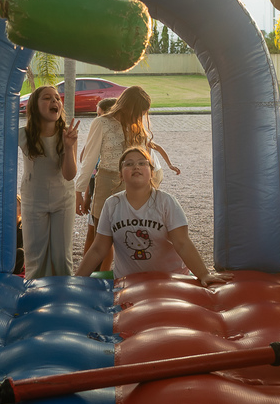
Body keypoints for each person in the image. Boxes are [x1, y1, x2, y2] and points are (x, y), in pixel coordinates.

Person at [75, 146, 226, 285]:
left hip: (170, 280)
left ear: (152, 173)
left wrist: (204, 274)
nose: (136, 167)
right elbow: (98, 249)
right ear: (120, 175)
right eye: (129, 164)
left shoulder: (166, 202)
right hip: (128, 282)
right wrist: (76, 281)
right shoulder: (112, 204)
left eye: (142, 163)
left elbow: (182, 244)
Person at [76, 86, 179, 233]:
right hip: (107, 183)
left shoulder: (136, 126)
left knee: (130, 233)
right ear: (129, 108)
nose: (141, 117)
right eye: (139, 112)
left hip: (133, 184)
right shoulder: (101, 123)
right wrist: (79, 192)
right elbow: (89, 159)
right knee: (103, 233)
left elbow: (145, 157)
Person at [19, 85, 80, 277]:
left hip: (63, 200)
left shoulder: (67, 134)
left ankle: (63, 292)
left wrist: (68, 147)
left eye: (57, 98)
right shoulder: (22, 134)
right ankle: (35, 291)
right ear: (34, 106)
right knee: (35, 257)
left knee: (62, 257)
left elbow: (69, 174)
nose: (54, 101)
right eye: (47, 98)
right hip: (33, 200)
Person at [80, 97, 118, 271]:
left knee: (105, 236)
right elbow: (87, 166)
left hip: (104, 191)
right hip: (95, 191)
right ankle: (88, 268)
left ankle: (103, 271)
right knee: (91, 233)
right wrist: (87, 195)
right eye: (97, 115)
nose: (98, 119)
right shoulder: (97, 138)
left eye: (100, 115)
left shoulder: (113, 145)